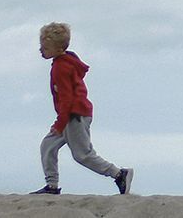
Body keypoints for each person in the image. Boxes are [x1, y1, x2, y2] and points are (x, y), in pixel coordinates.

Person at [31, 22, 134, 196]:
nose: (41, 50)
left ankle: (118, 174)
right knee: (48, 145)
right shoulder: (65, 61)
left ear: (58, 49)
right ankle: (52, 186)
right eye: (41, 46)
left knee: (83, 155)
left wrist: (60, 123)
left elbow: (67, 99)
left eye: (45, 48)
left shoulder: (61, 67)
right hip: (70, 115)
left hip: (74, 116)